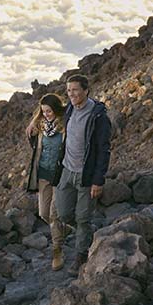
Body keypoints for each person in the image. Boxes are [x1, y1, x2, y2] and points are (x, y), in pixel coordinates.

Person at [54, 74, 111, 274]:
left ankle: (80, 256)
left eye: (75, 90)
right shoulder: (69, 109)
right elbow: (49, 114)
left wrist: (98, 180)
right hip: (67, 170)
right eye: (69, 90)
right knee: (63, 213)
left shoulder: (98, 117)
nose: (71, 94)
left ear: (86, 90)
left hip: (86, 176)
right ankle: (87, 235)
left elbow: (104, 150)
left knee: (83, 218)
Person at [25, 93, 70, 271]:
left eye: (49, 111)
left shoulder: (66, 125)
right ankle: (64, 229)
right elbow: (35, 148)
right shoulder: (39, 127)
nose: (47, 114)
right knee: (44, 213)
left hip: (60, 176)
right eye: (43, 112)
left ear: (56, 109)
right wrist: (32, 124)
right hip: (43, 175)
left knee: (53, 214)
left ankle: (57, 251)